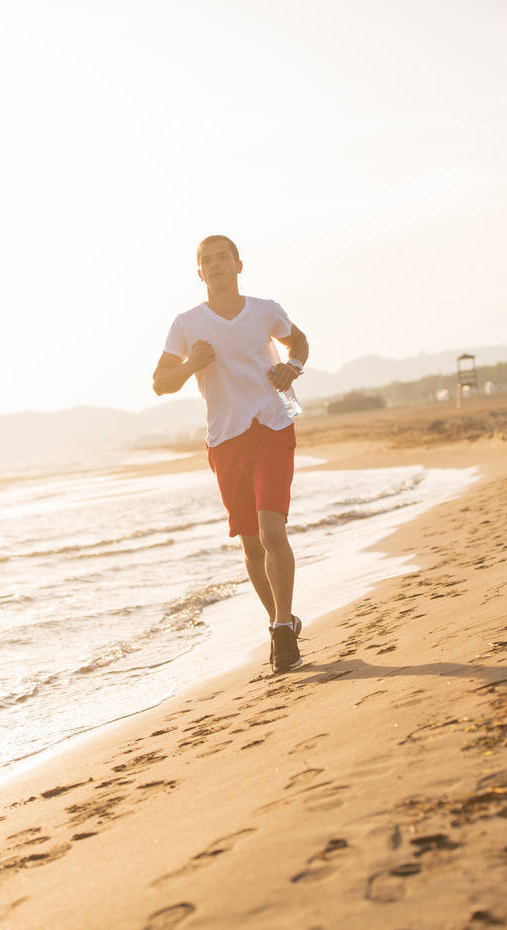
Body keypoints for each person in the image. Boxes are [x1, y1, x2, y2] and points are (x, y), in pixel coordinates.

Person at [152, 235, 309, 673]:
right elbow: (161, 383)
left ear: (239, 265)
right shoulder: (186, 324)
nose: (216, 264)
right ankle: (282, 621)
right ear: (199, 273)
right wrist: (190, 365)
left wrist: (292, 367)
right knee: (253, 543)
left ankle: (281, 630)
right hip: (225, 439)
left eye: (224, 257)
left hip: (274, 424)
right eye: (207, 260)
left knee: (272, 530)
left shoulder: (266, 310)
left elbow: (299, 342)